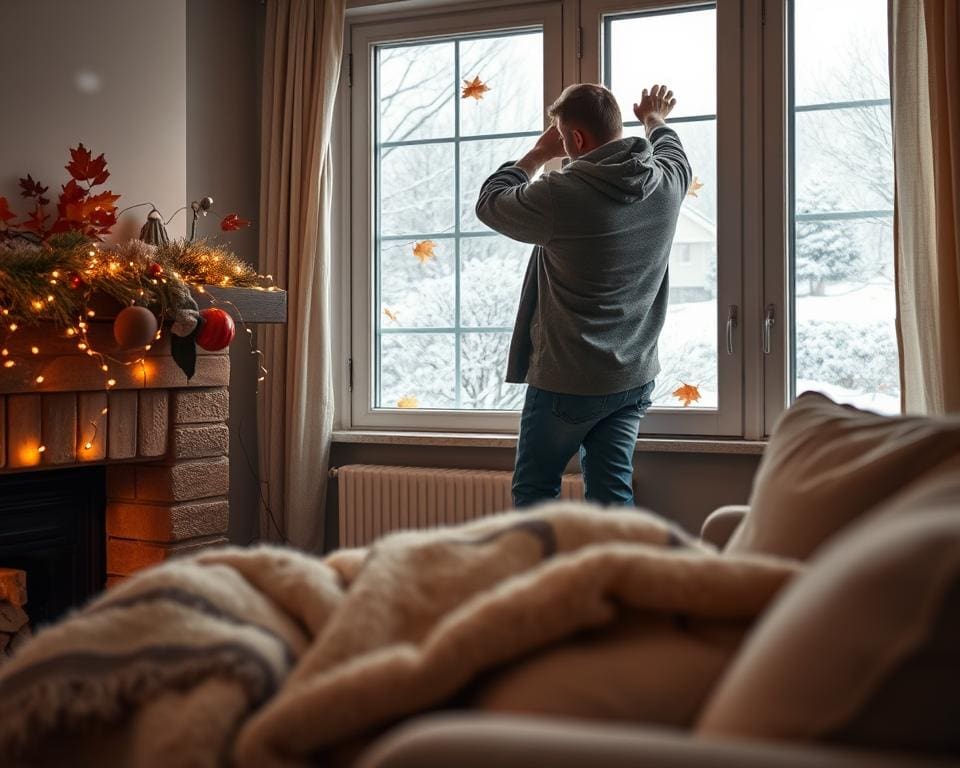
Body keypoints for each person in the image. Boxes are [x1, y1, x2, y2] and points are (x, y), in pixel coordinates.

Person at [475, 83, 691, 508]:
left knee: (535, 493)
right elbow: (672, 148)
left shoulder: (561, 193)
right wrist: (654, 117)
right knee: (612, 495)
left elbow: (490, 203)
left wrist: (538, 154)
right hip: (632, 377)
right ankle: (615, 577)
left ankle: (551, 577)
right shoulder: (667, 182)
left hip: (566, 380)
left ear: (574, 139)